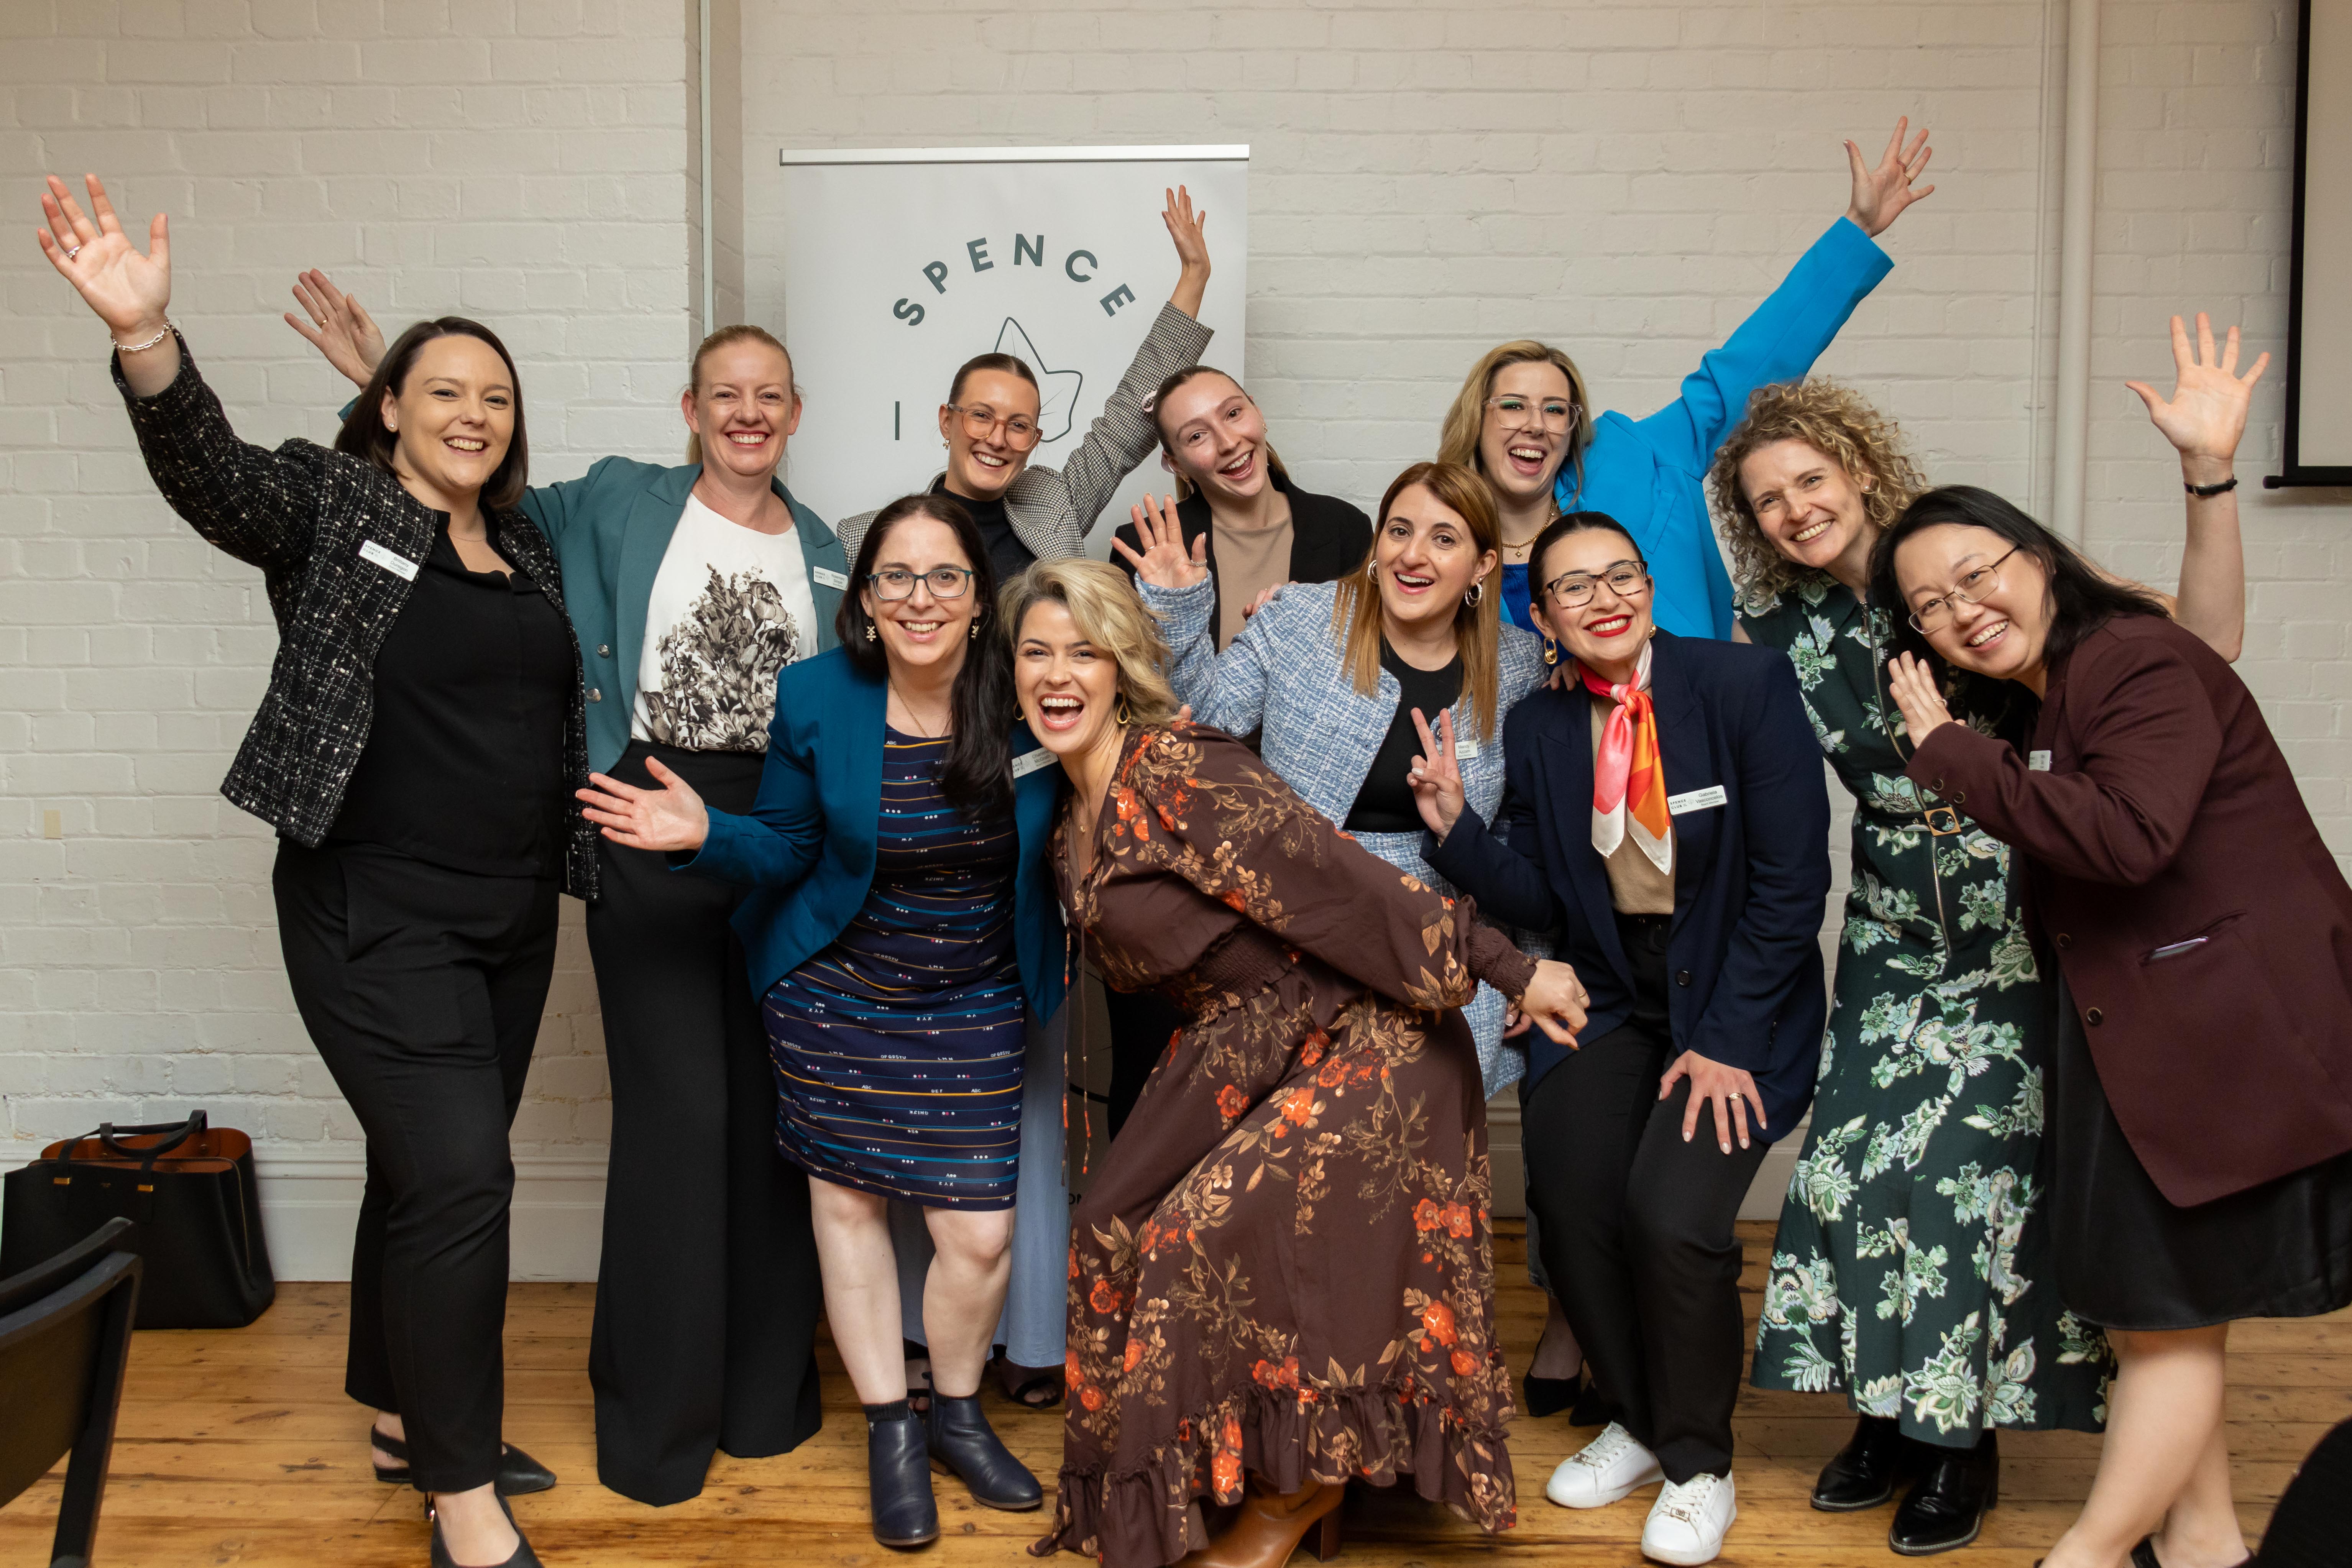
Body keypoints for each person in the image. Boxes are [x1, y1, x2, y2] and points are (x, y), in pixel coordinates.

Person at [39, 173, 580, 1568]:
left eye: (495, 397)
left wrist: (393, 374)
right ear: (388, 409)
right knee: (462, 1175)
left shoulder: (523, 544)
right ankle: (461, 1487)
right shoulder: (341, 507)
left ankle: (405, 1415)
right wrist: (146, 339)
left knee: (418, 1170)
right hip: (372, 910)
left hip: (512, 919)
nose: (474, 413)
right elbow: (216, 478)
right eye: (442, 391)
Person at [284, 273, 842, 1503]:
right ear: (690, 409)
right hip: (642, 816)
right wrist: (380, 379)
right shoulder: (616, 500)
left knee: (769, 1123)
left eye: (769, 396)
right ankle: (658, 1431)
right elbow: (468, 484)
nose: (747, 413)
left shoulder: (827, 549)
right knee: (679, 1122)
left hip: (770, 838)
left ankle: (764, 1401)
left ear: (795, 413)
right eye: (725, 394)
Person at [1712, 314, 2263, 1553]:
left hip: (2019, 923)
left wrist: (2208, 480)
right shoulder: (1776, 631)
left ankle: (1958, 1442)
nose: (1795, 509)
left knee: (1967, 1183)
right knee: (1851, 1174)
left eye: (1810, 479)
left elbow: (2202, 640)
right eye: (1767, 501)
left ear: (1858, 467)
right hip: (1890, 932)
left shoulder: (1968, 578)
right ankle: (1886, 1411)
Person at [1005, 558, 1591, 1568]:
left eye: (1083, 652)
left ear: (1121, 667)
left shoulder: (1174, 765)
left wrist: (1510, 967)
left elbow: (1340, 879)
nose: (1058, 674)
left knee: (1192, 1238)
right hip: (1241, 1043)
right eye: (1035, 653)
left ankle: (1296, 1489)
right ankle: (1161, 1491)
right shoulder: (1068, 819)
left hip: (1368, 1033)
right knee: (1109, 1226)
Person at [574, 494, 1068, 1549]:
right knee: (847, 1211)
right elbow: (791, 846)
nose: (920, 598)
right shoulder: (816, 695)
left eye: (944, 576)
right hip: (835, 992)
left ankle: (957, 1415)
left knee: (979, 1233)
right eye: (896, 577)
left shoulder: (1027, 690)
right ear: (867, 599)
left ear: (980, 598)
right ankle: (892, 1429)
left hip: (974, 994)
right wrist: (707, 832)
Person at [1877, 476, 2352, 1568]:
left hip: (2219, 1038)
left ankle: (2086, 1556)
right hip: (2148, 1035)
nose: (1961, 610)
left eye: (1975, 574)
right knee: (2155, 1316)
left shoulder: (2132, 658)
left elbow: (2131, 837)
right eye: (1929, 605)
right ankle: (2203, 1544)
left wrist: (1948, 750)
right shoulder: (2057, 692)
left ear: (2040, 559)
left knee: (2169, 1322)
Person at [1414, 512, 1832, 1566]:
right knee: (1568, 1203)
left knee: (1671, 1217)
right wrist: (1456, 827)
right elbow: (1544, 892)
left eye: (1620, 577)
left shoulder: (1742, 686)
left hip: (1736, 1001)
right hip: (1610, 994)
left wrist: (1727, 1038)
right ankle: (1644, 1423)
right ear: (1544, 618)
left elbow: (1791, 887)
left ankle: (1699, 1465)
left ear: (1648, 586)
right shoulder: (1543, 727)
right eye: (1573, 587)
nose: (1603, 599)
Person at [1120, 462, 1547, 1103]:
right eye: (1399, 530)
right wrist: (1178, 608)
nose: (1413, 554)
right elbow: (1199, 726)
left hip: (1445, 946)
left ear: (1483, 565)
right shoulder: (1303, 617)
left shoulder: (1517, 665)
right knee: (1294, 1139)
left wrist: (1528, 965)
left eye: (1444, 539)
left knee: (1417, 1142)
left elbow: (1526, 832)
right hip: (1300, 929)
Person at [1436, 117, 1936, 639]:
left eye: (1556, 409)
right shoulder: (1442, 537)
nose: (1536, 424)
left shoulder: (1634, 457)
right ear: (1478, 417)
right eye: (1513, 404)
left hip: (1702, 691)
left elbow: (1748, 367)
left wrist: (1855, 233)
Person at [1095, 365, 1373, 1135]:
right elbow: (1141, 706)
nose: (1226, 442)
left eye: (1233, 413)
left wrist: (1299, 627)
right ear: (1173, 461)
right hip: (1180, 847)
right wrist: (1172, 603)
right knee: (1158, 1076)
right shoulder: (1148, 548)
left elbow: (1365, 685)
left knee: (1292, 1092)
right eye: (1195, 435)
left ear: (1257, 413)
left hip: (1306, 845)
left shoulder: (1345, 532)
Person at [837, 186, 1214, 574]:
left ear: (1034, 441)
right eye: (981, 416)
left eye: (1018, 425)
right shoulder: (864, 538)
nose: (997, 439)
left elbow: (1124, 425)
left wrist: (1194, 275)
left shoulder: (1052, 505)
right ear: (947, 421)